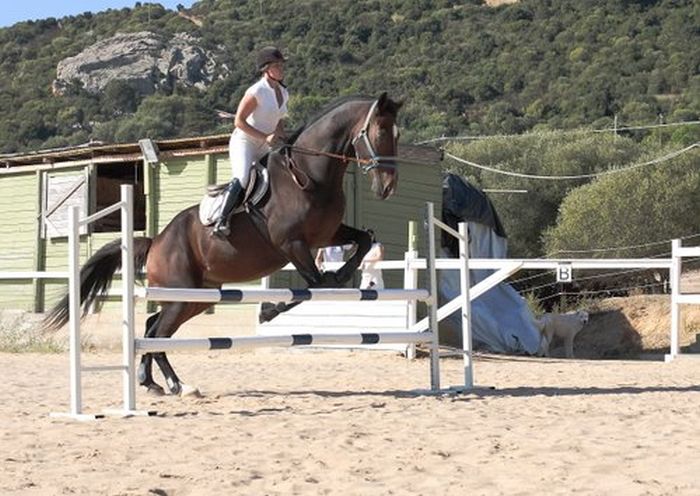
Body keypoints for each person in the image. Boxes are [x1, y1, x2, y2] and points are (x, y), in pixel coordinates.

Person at [213, 46, 289, 236]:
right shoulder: (257, 91)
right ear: (266, 69)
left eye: (282, 65)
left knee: (278, 174)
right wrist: (265, 137)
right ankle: (221, 220)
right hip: (244, 143)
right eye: (277, 65)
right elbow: (238, 121)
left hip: (265, 146)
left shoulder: (283, 93)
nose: (281, 69)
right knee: (243, 177)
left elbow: (278, 120)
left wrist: (284, 138)